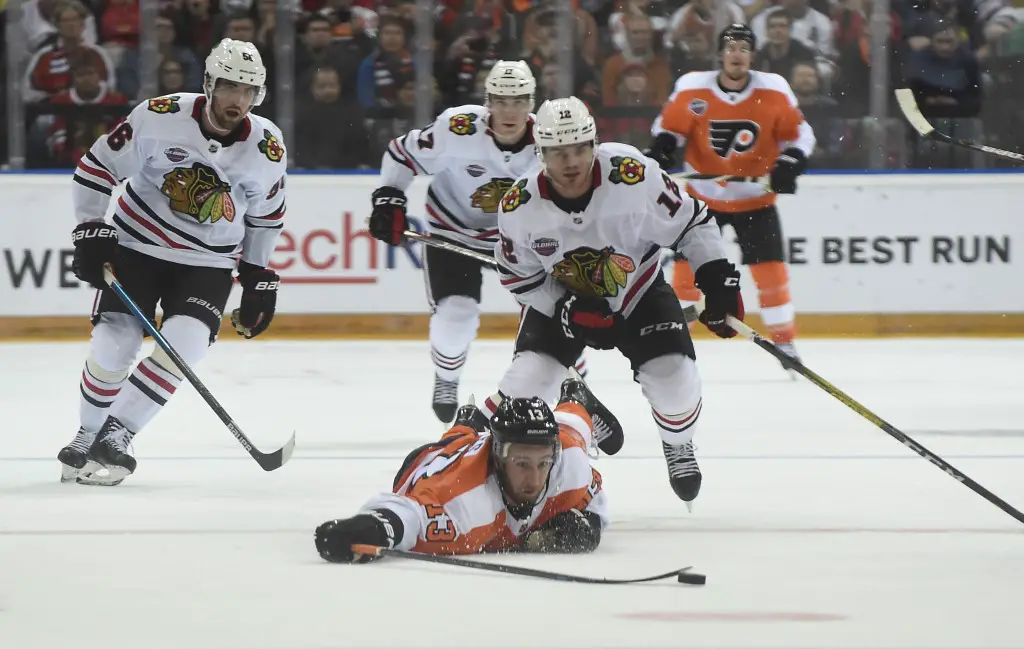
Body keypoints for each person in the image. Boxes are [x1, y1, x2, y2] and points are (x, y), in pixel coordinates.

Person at [485, 96, 743, 509]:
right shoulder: (519, 207)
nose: (570, 162)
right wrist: (566, 311)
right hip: (565, 300)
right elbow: (521, 278)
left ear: (594, 144)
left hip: (638, 291)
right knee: (522, 392)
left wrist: (716, 278)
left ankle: (677, 442)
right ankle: (571, 410)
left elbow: (692, 222)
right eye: (557, 153)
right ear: (541, 154)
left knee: (675, 382)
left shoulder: (634, 174)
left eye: (578, 149)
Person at [58, 38, 287, 486]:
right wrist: (90, 228)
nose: (237, 100)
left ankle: (118, 433)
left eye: (248, 91)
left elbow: (267, 215)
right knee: (113, 344)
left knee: (185, 345)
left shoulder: (267, 147)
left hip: (208, 261)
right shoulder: (159, 116)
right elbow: (97, 167)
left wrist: (258, 273)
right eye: (228, 87)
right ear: (208, 84)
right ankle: (86, 435)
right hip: (136, 245)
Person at [367, 60, 586, 425]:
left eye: (518, 101)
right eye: (500, 101)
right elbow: (401, 154)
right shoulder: (456, 129)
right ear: (487, 102)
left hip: (519, 242)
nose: (509, 111)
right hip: (453, 230)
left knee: (558, 315)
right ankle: (447, 377)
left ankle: (574, 396)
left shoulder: (550, 141)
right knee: (456, 316)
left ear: (531, 103)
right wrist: (390, 197)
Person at [647, 24, 815, 371]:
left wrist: (789, 161)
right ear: (721, 54)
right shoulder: (693, 87)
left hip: (756, 200)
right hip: (702, 201)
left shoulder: (773, 89)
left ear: (751, 56)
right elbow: (669, 127)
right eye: (730, 47)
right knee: (685, 274)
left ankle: (785, 344)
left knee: (771, 275)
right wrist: (664, 145)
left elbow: (800, 136)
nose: (736, 54)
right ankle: (674, 343)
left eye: (743, 48)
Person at [314, 373, 622, 560]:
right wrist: (368, 529)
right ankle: (465, 426)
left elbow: (594, 498)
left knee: (572, 428)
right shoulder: (464, 502)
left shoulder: (567, 462)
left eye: (543, 462)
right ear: (498, 457)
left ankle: (574, 397)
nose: (535, 477)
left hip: (520, 444)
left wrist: (591, 526)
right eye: (522, 463)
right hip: (433, 461)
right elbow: (408, 516)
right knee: (455, 442)